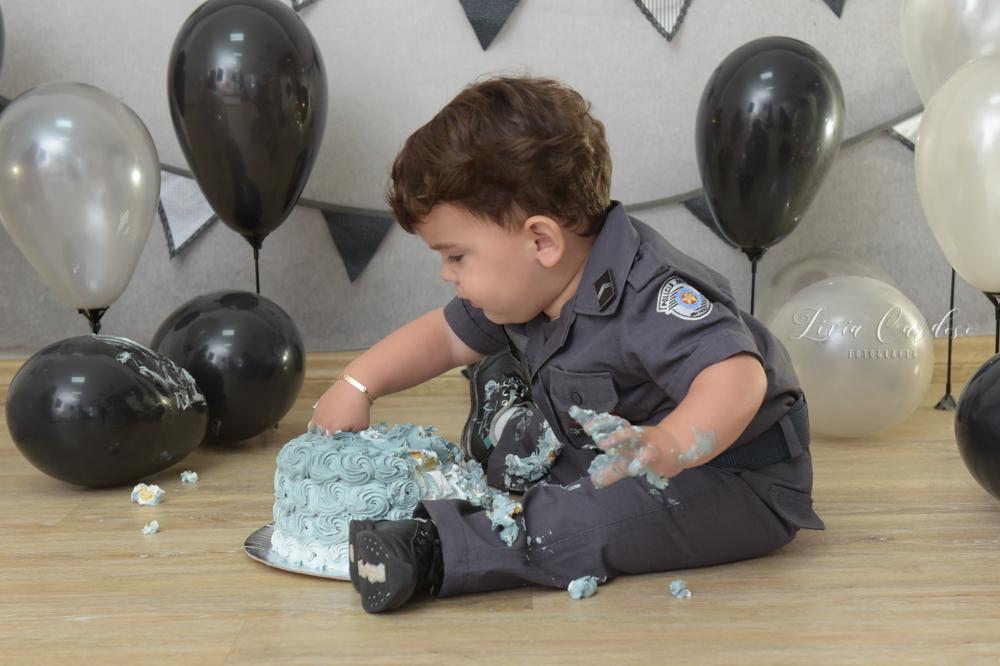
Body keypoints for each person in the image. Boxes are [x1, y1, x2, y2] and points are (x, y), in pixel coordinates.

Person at [310, 76, 824, 614]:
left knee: (578, 527)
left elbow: (738, 376)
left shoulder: (651, 294)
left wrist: (670, 443)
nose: (446, 273)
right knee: (524, 461)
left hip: (727, 476)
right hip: (604, 452)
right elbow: (442, 335)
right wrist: (357, 383)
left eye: (456, 256)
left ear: (541, 240)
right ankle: (505, 414)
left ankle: (433, 549)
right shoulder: (532, 286)